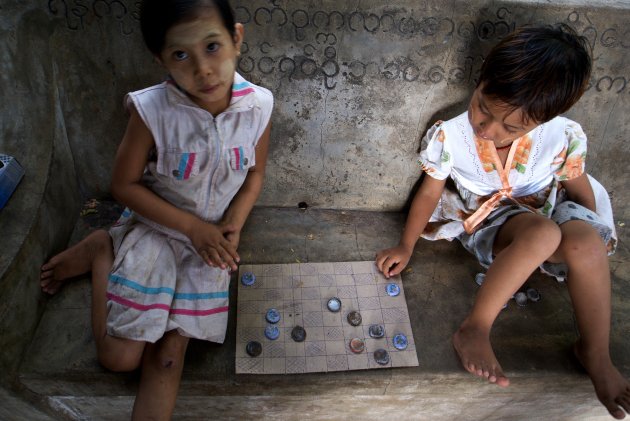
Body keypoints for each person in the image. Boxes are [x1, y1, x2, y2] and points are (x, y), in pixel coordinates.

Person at [376, 24, 629, 419]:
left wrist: (590, 250)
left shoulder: (562, 135)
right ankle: (475, 327)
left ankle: (594, 353)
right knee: (543, 234)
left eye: (510, 128)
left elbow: (576, 189)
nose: (488, 129)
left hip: (548, 207)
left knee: (586, 240)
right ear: (480, 82)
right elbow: (428, 192)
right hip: (498, 224)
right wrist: (406, 245)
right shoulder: (451, 135)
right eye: (482, 107)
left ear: (544, 120)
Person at [40, 0, 273, 418]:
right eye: (181, 55)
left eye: (212, 46)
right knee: (119, 359)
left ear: (236, 39)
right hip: (155, 229)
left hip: (207, 245)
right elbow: (123, 185)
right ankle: (101, 250)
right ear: (161, 59)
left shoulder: (258, 107)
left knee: (168, 359)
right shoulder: (152, 111)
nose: (202, 69)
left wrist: (232, 224)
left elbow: (254, 176)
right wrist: (191, 227)